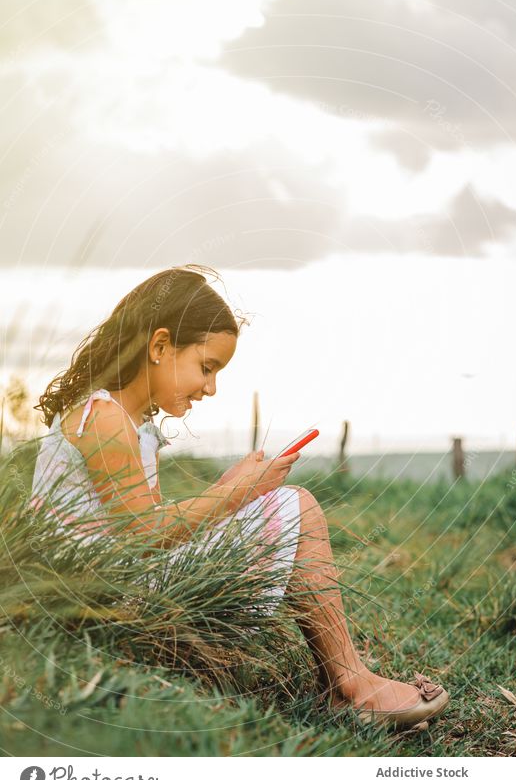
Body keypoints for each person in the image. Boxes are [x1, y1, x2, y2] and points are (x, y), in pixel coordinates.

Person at [31, 264, 449, 731]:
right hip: (98, 598)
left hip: (111, 585)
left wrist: (226, 489)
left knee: (285, 504)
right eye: (206, 367)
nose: (210, 388)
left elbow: (145, 525)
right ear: (160, 346)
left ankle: (348, 684)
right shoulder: (105, 418)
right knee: (297, 507)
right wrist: (238, 493)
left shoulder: (128, 423)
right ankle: (352, 687)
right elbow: (145, 534)